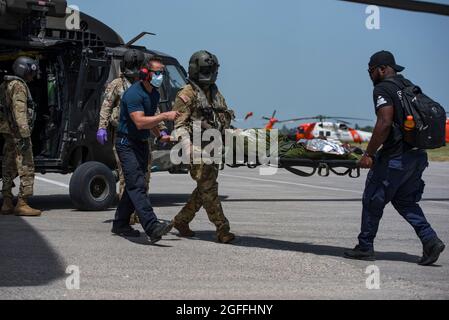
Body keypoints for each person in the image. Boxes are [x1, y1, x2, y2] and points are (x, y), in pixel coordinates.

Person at [344, 51, 445, 266]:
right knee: (404, 200)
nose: (370, 75)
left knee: (373, 199)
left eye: (370, 71)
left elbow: (384, 123)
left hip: (395, 158)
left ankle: (364, 246)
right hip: (417, 156)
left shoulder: (383, 89)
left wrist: (369, 154)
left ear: (381, 69)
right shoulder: (408, 86)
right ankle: (430, 240)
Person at [96, 49, 170, 225]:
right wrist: (102, 127)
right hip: (124, 135)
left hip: (143, 137)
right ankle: (131, 219)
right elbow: (106, 105)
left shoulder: (147, 87)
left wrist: (162, 130)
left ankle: (130, 216)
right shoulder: (117, 85)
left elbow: (154, 111)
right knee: (127, 178)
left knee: (144, 178)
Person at [111, 57, 178, 244]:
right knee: (137, 184)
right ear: (145, 74)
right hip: (126, 143)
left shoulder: (154, 94)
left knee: (133, 186)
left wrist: (160, 133)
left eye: (162, 73)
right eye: (157, 72)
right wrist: (165, 115)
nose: (160, 76)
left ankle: (120, 224)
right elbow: (140, 122)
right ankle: (152, 226)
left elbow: (151, 119)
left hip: (140, 144)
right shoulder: (133, 94)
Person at [171, 50, 236, 244]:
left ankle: (181, 221)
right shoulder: (186, 94)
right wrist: (188, 145)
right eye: (207, 69)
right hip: (197, 149)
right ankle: (222, 229)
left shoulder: (214, 91)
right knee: (209, 190)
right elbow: (179, 125)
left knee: (203, 190)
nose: (210, 73)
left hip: (214, 147)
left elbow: (221, 116)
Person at [0, 56, 41, 217]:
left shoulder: (5, 84)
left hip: (8, 132)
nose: (32, 74)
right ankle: (22, 203)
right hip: (18, 133)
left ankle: (7, 202)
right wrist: (24, 135)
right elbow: (20, 112)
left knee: (8, 165)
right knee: (26, 166)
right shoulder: (18, 86)